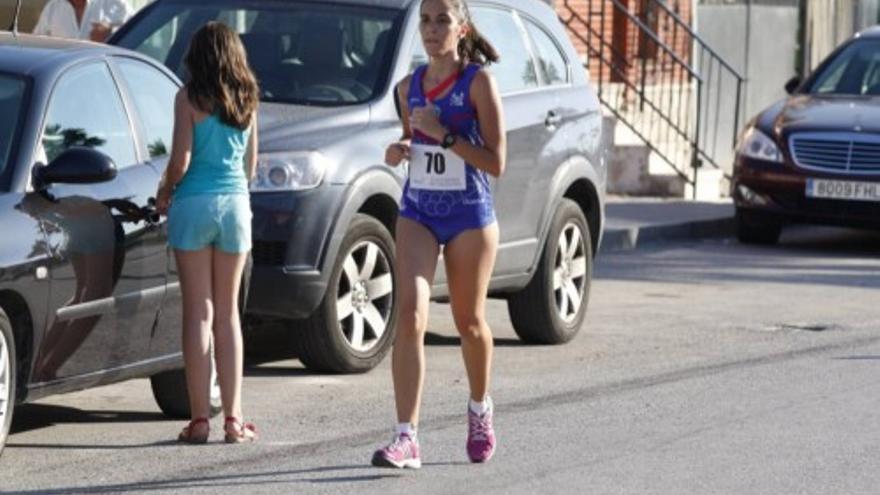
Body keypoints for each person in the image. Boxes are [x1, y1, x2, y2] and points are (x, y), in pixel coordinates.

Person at [371, 0, 505, 469]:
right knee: (408, 316)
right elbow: (418, 141)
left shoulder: (478, 84)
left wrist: (446, 135)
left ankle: (479, 407)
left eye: (442, 19)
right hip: (419, 210)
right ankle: (406, 436)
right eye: (425, 20)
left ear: (460, 26)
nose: (431, 29)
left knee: (469, 323)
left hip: (469, 214)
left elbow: (497, 162)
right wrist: (403, 146)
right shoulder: (408, 87)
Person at [155, 21, 260, 444]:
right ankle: (234, 420)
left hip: (194, 206)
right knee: (228, 313)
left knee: (198, 311)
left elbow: (180, 160)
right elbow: (250, 168)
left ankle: (199, 420)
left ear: (197, 56)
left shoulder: (188, 98)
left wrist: (165, 191)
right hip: (235, 206)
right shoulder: (250, 101)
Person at [33, 0, 132, 42]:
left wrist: (111, 33)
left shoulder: (115, 4)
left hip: (102, 80)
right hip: (64, 81)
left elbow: (140, 37)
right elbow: (37, 46)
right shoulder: (53, 7)